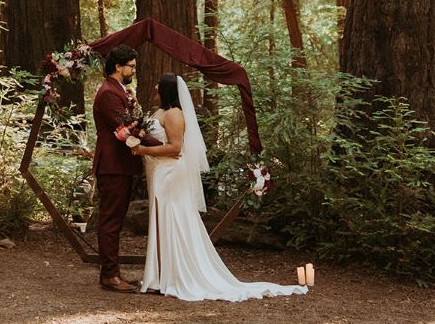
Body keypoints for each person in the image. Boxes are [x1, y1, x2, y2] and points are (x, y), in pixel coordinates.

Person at [131, 73, 308, 302]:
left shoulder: (175, 114)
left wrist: (142, 150)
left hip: (170, 173)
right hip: (158, 172)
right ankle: (159, 274)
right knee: (161, 219)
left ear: (166, 90)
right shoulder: (158, 112)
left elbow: (175, 149)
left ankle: (171, 276)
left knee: (172, 219)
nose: (154, 89)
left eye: (157, 86)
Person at [91, 44, 156, 293]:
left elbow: (132, 125)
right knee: (110, 221)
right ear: (118, 66)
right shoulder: (108, 92)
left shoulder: (121, 91)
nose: (134, 71)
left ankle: (112, 271)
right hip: (112, 165)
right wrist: (163, 146)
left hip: (122, 165)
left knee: (115, 220)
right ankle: (109, 275)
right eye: (131, 66)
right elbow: (126, 128)